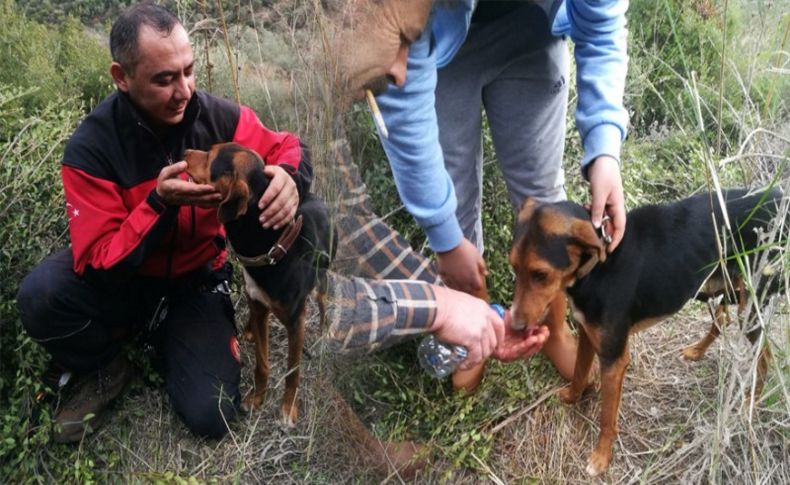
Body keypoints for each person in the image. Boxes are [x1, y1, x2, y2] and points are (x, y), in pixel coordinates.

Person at [16, 2, 545, 445]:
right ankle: (109, 361)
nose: (184, 91)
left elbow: (288, 145)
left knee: (213, 412)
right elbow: (96, 260)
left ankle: (177, 337)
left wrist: (292, 175)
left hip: (196, 285)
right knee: (41, 296)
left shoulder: (218, 118)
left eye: (189, 71)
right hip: (126, 280)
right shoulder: (91, 149)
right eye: (164, 79)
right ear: (121, 77)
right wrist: (158, 204)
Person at [332, 0, 629, 382]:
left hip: (531, 35)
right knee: (454, 204)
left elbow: (602, 28)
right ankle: (477, 335)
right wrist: (447, 240)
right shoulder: (400, 34)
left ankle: (555, 332)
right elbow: (401, 94)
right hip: (436, 45)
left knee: (541, 191)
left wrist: (604, 150)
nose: (399, 73)